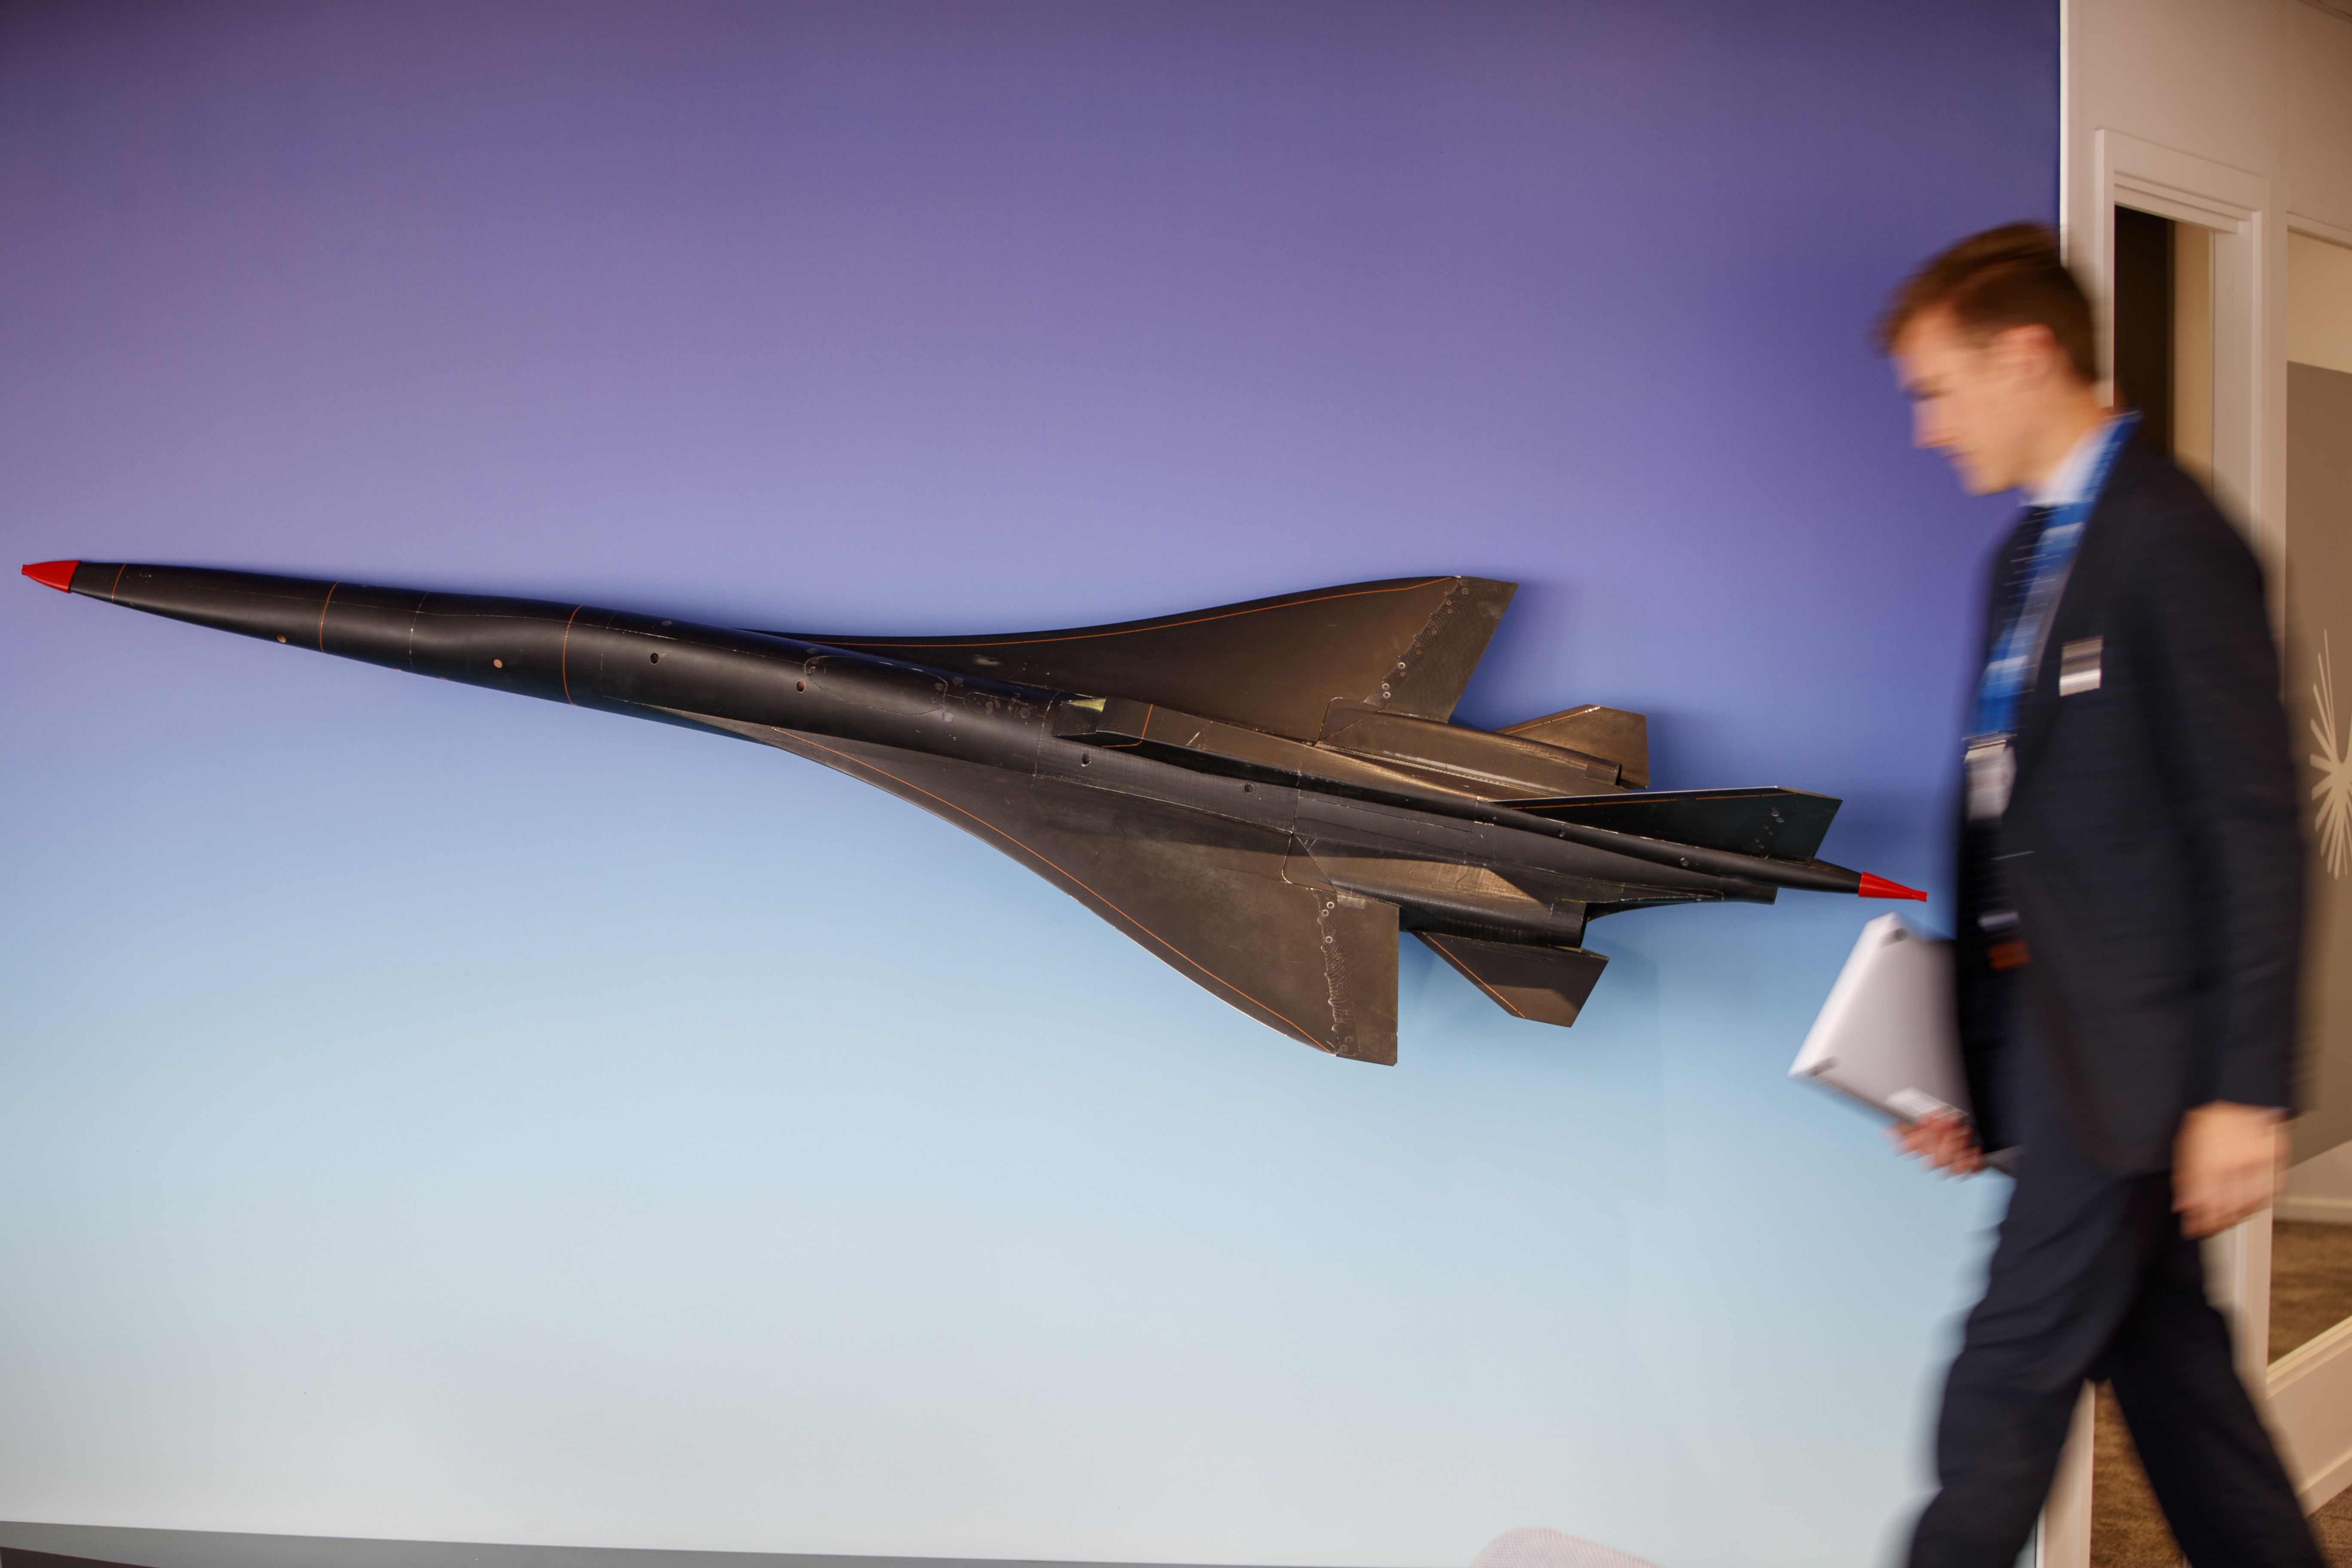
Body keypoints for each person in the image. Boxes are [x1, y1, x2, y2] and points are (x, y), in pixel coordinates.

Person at [1878, 224, 2321, 1568]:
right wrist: (1976, 1074)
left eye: (1939, 389)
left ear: (2027, 355)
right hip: (2057, 1048)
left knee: (2001, 1388)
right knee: (2184, 1399)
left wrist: (2244, 1088)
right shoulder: (2023, 562)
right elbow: (2018, 834)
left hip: (2138, 1060)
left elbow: (2251, 825)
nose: (1927, 428)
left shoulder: (2176, 541)